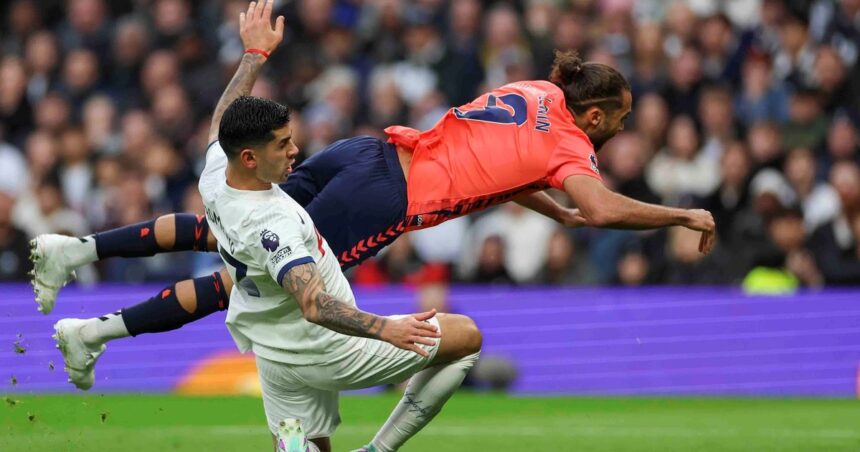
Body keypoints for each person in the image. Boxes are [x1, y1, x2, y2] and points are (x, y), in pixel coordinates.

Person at [33, 6, 716, 389]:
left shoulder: (536, 94)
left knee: (230, 227)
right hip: (385, 200)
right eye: (620, 119)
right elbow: (599, 209)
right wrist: (681, 213)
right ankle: (94, 332)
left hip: (369, 152)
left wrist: (552, 205)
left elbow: (506, 167)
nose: (622, 129)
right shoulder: (572, 147)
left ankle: (76, 251)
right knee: (247, 279)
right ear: (594, 117)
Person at [53, 4, 482, 452]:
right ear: (251, 158)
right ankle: (378, 449)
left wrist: (254, 54)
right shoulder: (269, 223)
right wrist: (386, 329)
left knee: (305, 444)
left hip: (275, 353)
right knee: (466, 337)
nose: (295, 150)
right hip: (325, 349)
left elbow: (223, 117)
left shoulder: (218, 172)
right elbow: (315, 304)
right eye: (283, 144)